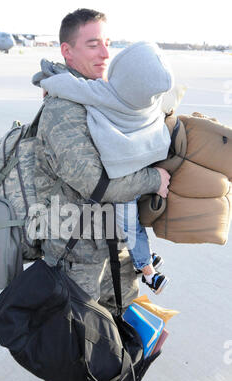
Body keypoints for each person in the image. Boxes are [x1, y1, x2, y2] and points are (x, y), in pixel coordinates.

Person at [32, 8, 170, 381]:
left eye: (107, 43)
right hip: (73, 240)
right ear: (67, 51)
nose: (104, 52)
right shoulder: (63, 110)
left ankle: (94, 376)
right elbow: (95, 184)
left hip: (107, 235)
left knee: (112, 314)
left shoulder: (98, 97)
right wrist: (152, 181)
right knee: (78, 324)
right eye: (92, 43)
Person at [39, 40, 174, 295]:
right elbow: (172, 100)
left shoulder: (104, 96)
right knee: (132, 225)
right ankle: (146, 265)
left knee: (130, 225)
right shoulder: (151, 104)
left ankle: (146, 266)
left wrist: (47, 84)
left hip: (121, 177)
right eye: (94, 45)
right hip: (137, 175)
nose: (105, 54)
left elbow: (69, 86)